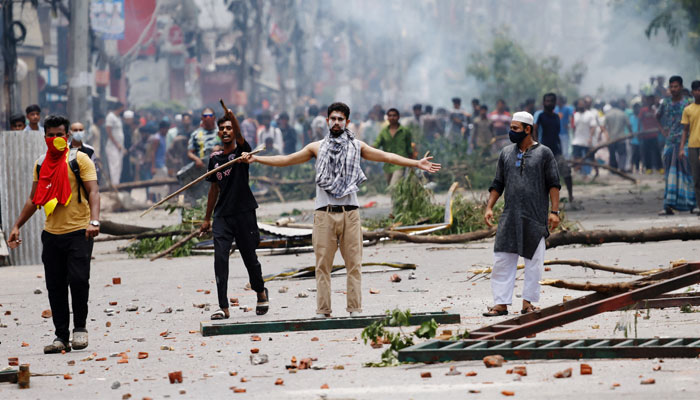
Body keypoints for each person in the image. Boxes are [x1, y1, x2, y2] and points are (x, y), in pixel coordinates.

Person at [243, 102, 440, 318]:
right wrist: (256, 159)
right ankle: (323, 310)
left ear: (347, 122)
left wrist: (416, 163)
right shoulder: (315, 147)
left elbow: (386, 156)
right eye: (333, 118)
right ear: (328, 121)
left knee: (354, 264)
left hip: (350, 213)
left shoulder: (357, 146)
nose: (336, 122)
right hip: (324, 213)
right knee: (322, 266)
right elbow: (286, 160)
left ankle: (354, 309)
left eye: (340, 119)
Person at [7, 114, 100, 353]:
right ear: (44, 137)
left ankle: (80, 329)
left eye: (59, 134)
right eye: (50, 135)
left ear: (67, 136)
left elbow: (93, 192)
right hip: (51, 234)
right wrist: (17, 225)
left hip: (79, 231)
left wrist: (94, 221)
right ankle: (61, 336)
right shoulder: (40, 163)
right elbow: (33, 199)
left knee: (79, 281)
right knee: (56, 286)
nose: (55, 138)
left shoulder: (80, 160)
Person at [483, 111, 560, 317]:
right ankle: (501, 304)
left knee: (534, 263)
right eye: (511, 127)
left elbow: (553, 184)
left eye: (515, 128)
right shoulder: (506, 153)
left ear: (528, 129)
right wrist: (489, 206)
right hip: (509, 216)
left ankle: (528, 303)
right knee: (502, 259)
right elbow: (498, 183)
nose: (511, 132)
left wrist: (554, 211)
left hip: (534, 217)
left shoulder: (545, 153)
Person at [200, 113, 269, 319]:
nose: (226, 131)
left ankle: (260, 291)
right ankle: (223, 306)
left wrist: (233, 117)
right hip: (223, 215)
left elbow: (240, 136)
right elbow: (213, 190)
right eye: (222, 129)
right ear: (218, 133)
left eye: (229, 128)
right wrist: (207, 218)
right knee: (220, 259)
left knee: (250, 258)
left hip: (244, 213)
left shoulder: (242, 152)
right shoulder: (215, 159)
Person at [657, 76, 696, 215]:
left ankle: (692, 204)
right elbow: (657, 116)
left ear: (681, 87)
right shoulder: (665, 103)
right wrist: (663, 131)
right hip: (671, 142)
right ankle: (668, 205)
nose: (673, 89)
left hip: (686, 142)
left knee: (688, 173)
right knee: (669, 174)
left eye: (676, 86)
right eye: (671, 87)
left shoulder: (689, 102)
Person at [534, 93, 573, 203]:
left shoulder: (556, 117)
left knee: (566, 171)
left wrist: (560, 149)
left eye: (551, 101)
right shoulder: (540, 116)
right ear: (543, 102)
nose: (549, 103)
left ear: (555, 103)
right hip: (542, 151)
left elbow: (557, 134)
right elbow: (534, 130)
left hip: (555, 151)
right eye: (547, 101)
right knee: (542, 177)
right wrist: (536, 145)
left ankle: (571, 197)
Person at [374, 108, 413, 186]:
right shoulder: (383, 132)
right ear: (387, 117)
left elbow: (409, 148)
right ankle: (397, 198)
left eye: (394, 115)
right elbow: (377, 144)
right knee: (390, 187)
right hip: (387, 164)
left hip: (400, 162)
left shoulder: (405, 131)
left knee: (394, 186)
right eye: (390, 115)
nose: (392, 117)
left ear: (398, 117)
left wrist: (412, 163)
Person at [680, 80, 700, 214]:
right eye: (696, 90)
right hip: (693, 146)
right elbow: (685, 130)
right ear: (692, 92)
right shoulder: (688, 109)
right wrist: (682, 148)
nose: (698, 92)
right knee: (696, 178)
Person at [571, 98, 597, 176]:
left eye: (582, 104)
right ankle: (578, 172)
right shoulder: (575, 115)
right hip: (577, 140)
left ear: (585, 105)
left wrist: (590, 137)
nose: (580, 106)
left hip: (587, 140)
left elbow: (593, 127)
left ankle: (595, 171)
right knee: (576, 157)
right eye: (579, 105)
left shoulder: (590, 115)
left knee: (590, 157)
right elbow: (574, 127)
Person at [604, 100, 632, 171]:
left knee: (612, 154)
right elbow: (628, 125)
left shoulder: (608, 114)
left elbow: (604, 127)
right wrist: (631, 133)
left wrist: (607, 136)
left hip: (611, 138)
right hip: (621, 138)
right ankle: (622, 167)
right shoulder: (622, 114)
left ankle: (613, 169)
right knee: (622, 154)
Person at [639, 95, 663, 174]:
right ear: (647, 101)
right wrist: (639, 132)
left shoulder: (655, 110)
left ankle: (660, 167)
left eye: (652, 100)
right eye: (649, 100)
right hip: (645, 135)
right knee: (647, 152)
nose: (650, 102)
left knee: (657, 152)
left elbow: (658, 121)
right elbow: (640, 121)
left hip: (654, 135)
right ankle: (648, 168)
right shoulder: (643, 110)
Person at [105, 102, 126, 185]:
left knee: (119, 166)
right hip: (112, 146)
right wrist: (116, 143)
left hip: (119, 146)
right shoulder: (110, 117)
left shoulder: (118, 118)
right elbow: (109, 131)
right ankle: (114, 184)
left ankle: (117, 183)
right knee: (114, 165)